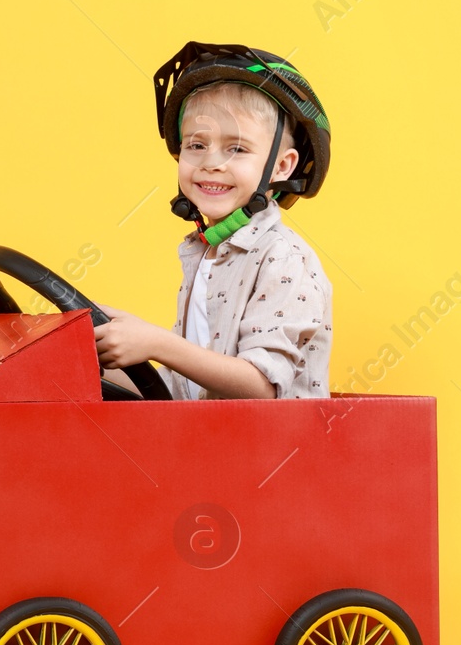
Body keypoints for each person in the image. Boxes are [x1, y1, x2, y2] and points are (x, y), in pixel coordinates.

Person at [94, 42, 333, 400]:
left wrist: (156, 342)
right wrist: (101, 354)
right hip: (212, 446)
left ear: (281, 167)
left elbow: (262, 386)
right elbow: (183, 391)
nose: (211, 163)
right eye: (196, 145)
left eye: (236, 148)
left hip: (277, 452)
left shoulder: (283, 258)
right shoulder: (207, 254)